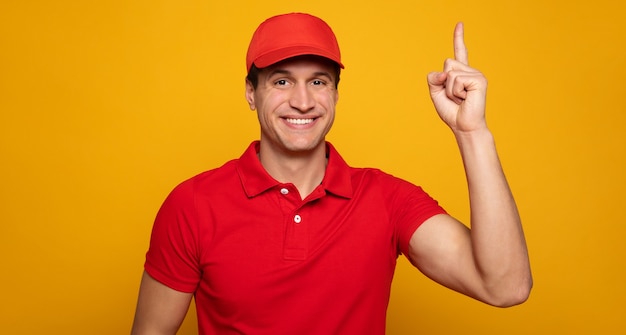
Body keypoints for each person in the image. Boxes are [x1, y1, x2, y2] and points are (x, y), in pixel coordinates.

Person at [131, 12, 532, 335]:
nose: (302, 102)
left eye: (318, 82)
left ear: (336, 95)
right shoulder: (193, 204)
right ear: (251, 93)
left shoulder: (387, 200)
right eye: (282, 81)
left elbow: (505, 287)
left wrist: (472, 133)